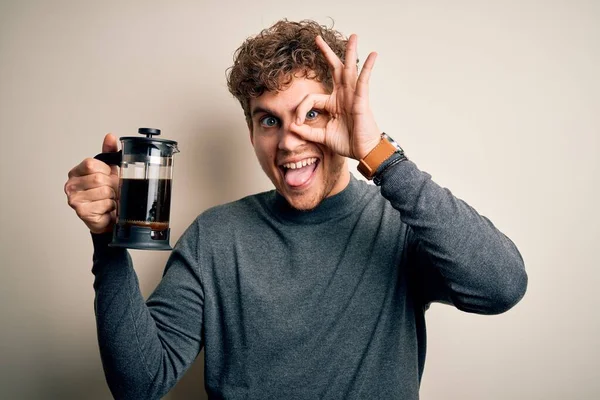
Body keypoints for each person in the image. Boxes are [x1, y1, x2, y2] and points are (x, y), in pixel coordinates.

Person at [64, 19, 527, 399]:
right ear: (251, 132)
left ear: (342, 115)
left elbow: (501, 286)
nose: (288, 142)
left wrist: (379, 156)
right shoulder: (215, 236)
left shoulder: (400, 226)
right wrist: (108, 239)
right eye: (269, 120)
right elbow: (140, 382)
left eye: (311, 114)